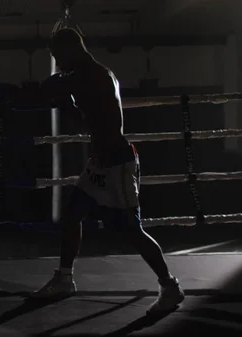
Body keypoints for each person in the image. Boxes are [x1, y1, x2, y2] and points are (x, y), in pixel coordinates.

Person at [29, 28, 185, 312]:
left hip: (117, 164)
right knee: (71, 215)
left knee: (132, 231)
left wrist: (55, 93)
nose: (56, 62)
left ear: (70, 49)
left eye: (57, 55)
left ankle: (170, 285)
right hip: (98, 162)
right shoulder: (87, 75)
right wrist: (62, 99)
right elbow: (85, 122)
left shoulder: (91, 76)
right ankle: (65, 278)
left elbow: (54, 93)